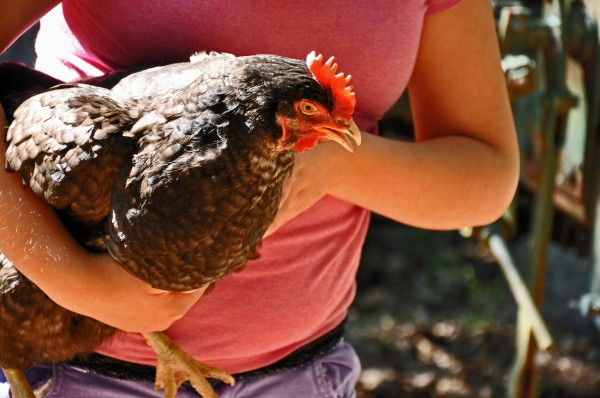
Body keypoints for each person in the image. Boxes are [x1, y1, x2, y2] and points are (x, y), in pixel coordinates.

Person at [0, 0, 519, 397]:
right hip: (69, 372)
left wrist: (339, 163)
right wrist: (76, 280)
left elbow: (487, 174)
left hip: (299, 373)